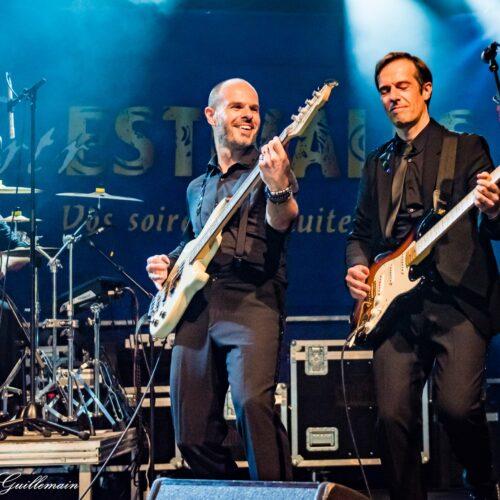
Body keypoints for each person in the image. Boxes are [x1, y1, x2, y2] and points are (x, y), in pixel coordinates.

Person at [345, 52, 499, 500]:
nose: (393, 96)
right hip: (395, 308)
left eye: (402, 86)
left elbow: (494, 224)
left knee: (457, 408)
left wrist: (493, 209)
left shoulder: (465, 148)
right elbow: (360, 233)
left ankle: (483, 481)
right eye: (385, 90)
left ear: (425, 90)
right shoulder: (376, 163)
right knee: (392, 418)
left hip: (457, 301)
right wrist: (357, 265)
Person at [146, 78, 298, 480]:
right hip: (198, 306)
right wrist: (169, 264)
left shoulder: (270, 169)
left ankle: (275, 492)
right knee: (191, 433)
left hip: (252, 299)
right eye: (237, 107)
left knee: (253, 407)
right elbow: (193, 241)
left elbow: (283, 220)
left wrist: (278, 188)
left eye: (254, 108)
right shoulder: (198, 187)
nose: (249, 115)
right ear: (211, 115)